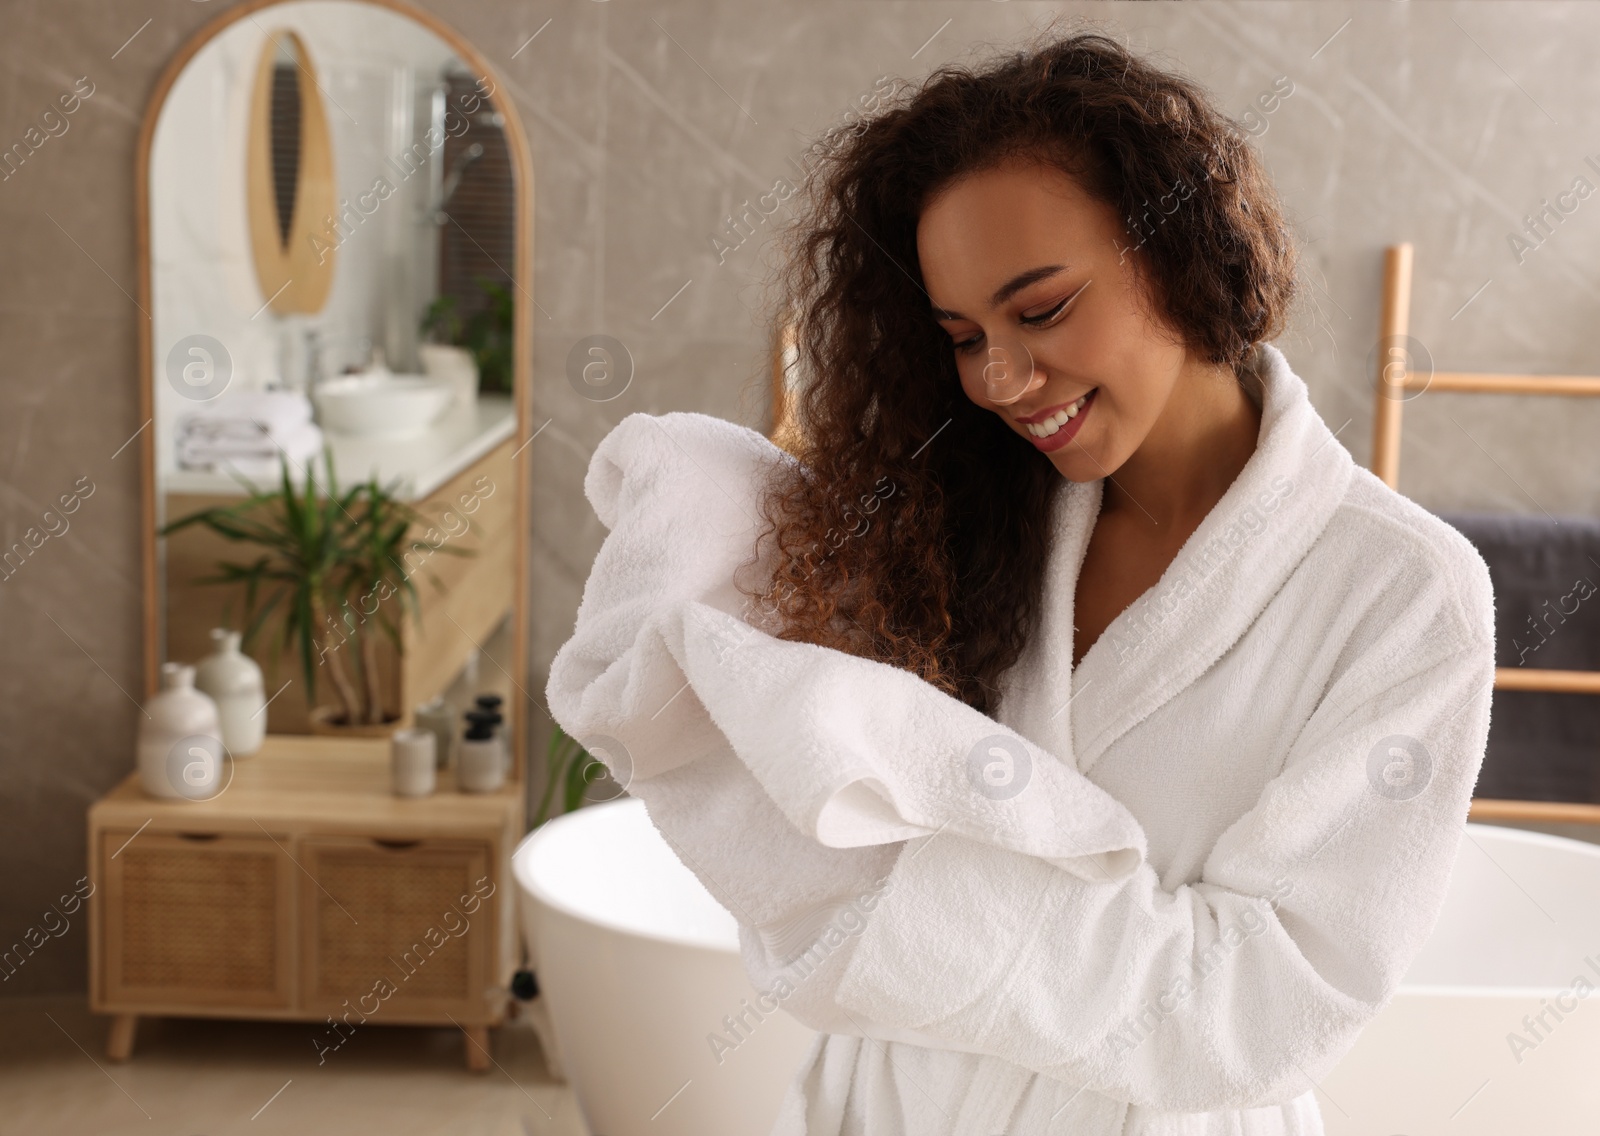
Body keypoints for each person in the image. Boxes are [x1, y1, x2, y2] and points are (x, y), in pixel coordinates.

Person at [548, 28, 1496, 1136]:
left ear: (1180, 253)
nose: (1001, 377)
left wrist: (897, 910)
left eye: (1040, 309)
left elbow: (1273, 998)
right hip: (897, 1104)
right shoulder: (965, 515)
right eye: (961, 335)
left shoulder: (1401, 592)